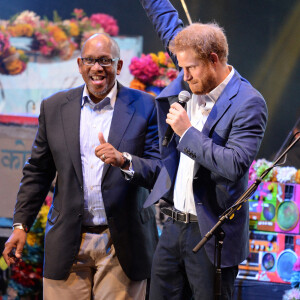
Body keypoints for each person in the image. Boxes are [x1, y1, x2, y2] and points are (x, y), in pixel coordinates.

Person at [2, 33, 161, 300]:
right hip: (68, 240)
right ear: (79, 64)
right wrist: (20, 225)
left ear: (118, 66)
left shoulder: (145, 106)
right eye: (90, 60)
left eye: (105, 61)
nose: (97, 68)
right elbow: (38, 172)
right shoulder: (54, 107)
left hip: (123, 243)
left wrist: (124, 160)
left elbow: (159, 171)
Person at [139, 0, 268, 299]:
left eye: (190, 68)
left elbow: (234, 165)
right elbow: (166, 22)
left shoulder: (248, 102)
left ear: (213, 59)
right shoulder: (194, 70)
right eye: (180, 67)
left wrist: (187, 133)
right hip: (172, 229)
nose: (184, 76)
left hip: (211, 236)